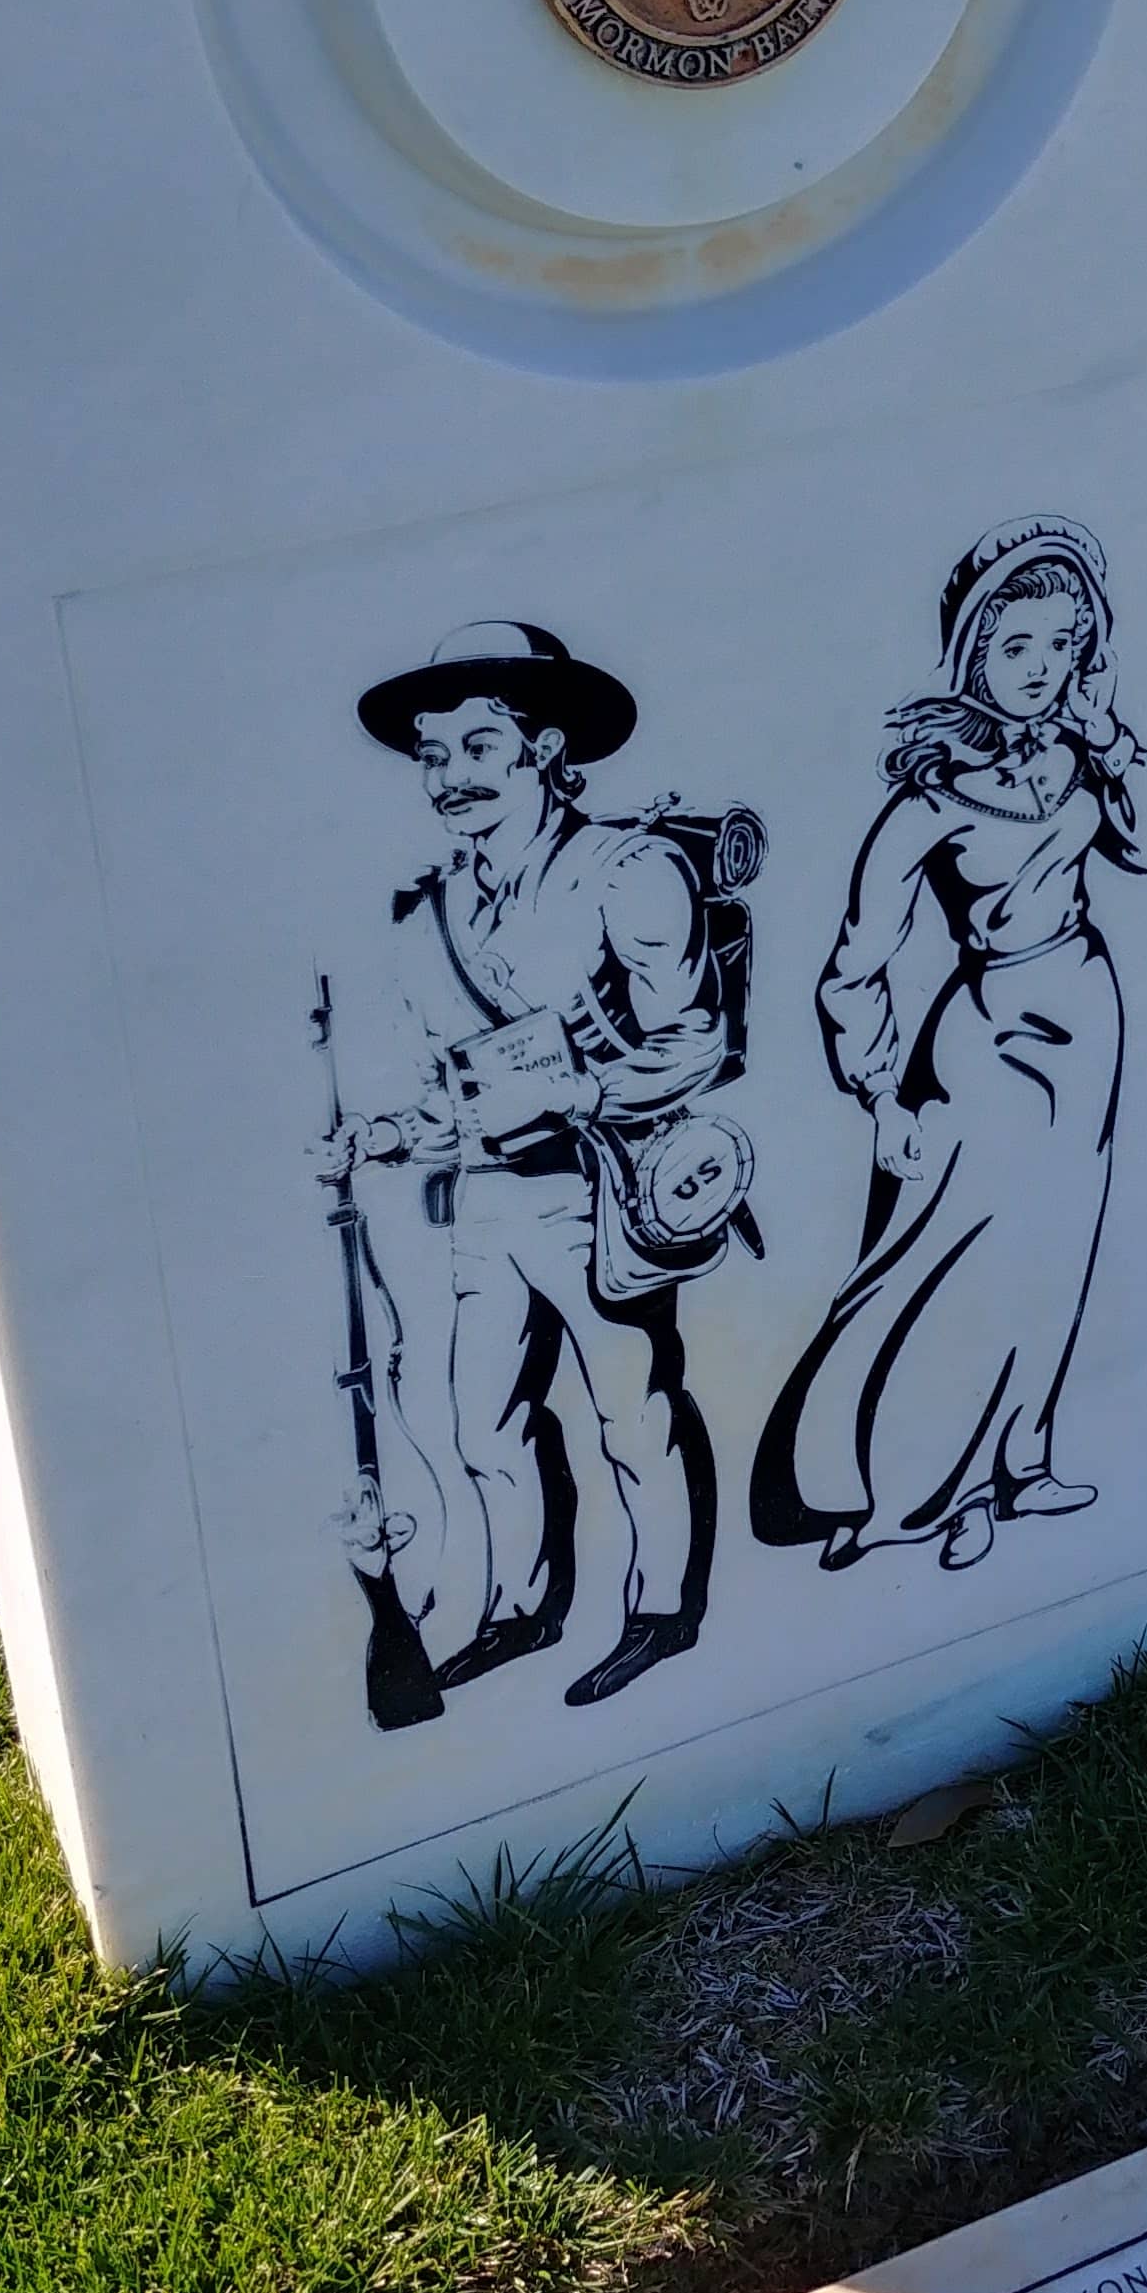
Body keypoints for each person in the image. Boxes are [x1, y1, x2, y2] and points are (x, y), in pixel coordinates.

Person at [321, 621, 747, 1713]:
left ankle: (660, 1609)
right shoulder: (429, 911)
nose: (447, 775)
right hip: (488, 1198)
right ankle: (522, 1605)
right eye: (431, 753)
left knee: (631, 1402)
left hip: (606, 1182)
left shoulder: (629, 871)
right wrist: (382, 1134)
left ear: (547, 746)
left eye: (474, 745)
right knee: (482, 1418)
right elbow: (453, 1087)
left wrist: (580, 1091)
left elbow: (698, 1041)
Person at [750, 521, 1147, 1578]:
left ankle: (1023, 1460)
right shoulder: (929, 800)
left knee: (1059, 1242)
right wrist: (882, 1097)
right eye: (1016, 645)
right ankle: (935, 1492)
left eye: (1061, 645)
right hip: (985, 1037)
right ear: (972, 653)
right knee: (960, 1257)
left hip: (1087, 1014)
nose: (1041, 670)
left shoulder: (1083, 757)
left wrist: (1114, 735)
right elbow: (854, 964)